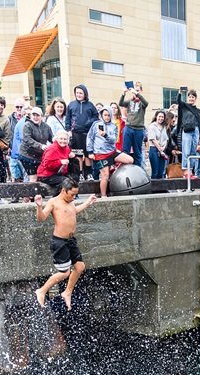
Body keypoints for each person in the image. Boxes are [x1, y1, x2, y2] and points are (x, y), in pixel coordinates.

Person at [34, 177, 97, 309]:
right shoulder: (54, 202)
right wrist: (39, 207)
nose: (74, 197)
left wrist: (87, 203)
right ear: (63, 191)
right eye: (72, 194)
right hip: (59, 242)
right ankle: (42, 290)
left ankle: (67, 292)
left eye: (76, 194)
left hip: (71, 241)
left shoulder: (71, 202)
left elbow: (73, 211)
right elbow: (41, 218)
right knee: (64, 273)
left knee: (80, 267)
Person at [87, 106, 133, 197]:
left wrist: (105, 135)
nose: (107, 117)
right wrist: (90, 151)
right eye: (105, 115)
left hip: (112, 151)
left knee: (130, 160)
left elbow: (114, 140)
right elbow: (89, 138)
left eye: (108, 115)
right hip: (100, 154)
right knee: (105, 176)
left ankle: (115, 171)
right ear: (101, 115)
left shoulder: (113, 126)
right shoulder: (96, 124)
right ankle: (104, 196)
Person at [64, 84, 99, 180]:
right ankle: (79, 174)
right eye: (77, 93)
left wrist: (89, 122)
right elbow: (67, 119)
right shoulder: (71, 105)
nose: (78, 95)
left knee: (88, 154)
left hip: (87, 133)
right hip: (75, 133)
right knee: (78, 155)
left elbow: (96, 116)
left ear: (85, 94)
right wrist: (68, 130)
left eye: (81, 93)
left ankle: (88, 174)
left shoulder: (90, 105)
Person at [176, 88, 200, 178]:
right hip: (187, 130)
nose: (191, 98)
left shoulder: (198, 110)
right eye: (190, 97)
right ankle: (186, 171)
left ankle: (191, 170)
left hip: (196, 129)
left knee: (193, 151)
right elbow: (178, 101)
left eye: (193, 97)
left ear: (195, 98)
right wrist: (180, 92)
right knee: (186, 150)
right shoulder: (184, 106)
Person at [118, 82, 148, 167]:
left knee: (137, 152)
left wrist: (137, 94)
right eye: (134, 90)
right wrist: (123, 93)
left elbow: (146, 103)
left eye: (137, 90)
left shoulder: (142, 102)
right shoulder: (130, 101)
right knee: (125, 151)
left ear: (141, 91)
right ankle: (124, 169)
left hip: (138, 129)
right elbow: (121, 103)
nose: (135, 92)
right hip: (128, 127)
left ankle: (137, 170)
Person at [20, 106, 53, 182]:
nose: (35, 117)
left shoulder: (46, 127)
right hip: (27, 155)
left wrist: (60, 141)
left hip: (39, 156)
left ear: (41, 116)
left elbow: (52, 138)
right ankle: (32, 193)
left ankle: (37, 194)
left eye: (37, 115)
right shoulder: (27, 125)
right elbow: (27, 139)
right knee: (33, 177)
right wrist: (40, 146)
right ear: (31, 116)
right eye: (33, 115)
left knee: (40, 177)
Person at [37, 130, 74, 196]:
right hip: (46, 174)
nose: (63, 141)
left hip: (58, 173)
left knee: (74, 179)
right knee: (66, 182)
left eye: (65, 139)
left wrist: (71, 155)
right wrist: (60, 162)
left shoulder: (66, 148)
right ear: (56, 139)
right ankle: (56, 200)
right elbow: (46, 164)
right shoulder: (52, 149)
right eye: (61, 139)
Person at [147, 110, 169, 179]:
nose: (161, 118)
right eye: (159, 116)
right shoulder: (152, 126)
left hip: (162, 150)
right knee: (155, 172)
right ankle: (153, 188)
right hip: (154, 149)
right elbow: (153, 139)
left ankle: (160, 189)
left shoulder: (164, 127)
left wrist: (163, 149)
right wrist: (160, 149)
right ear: (156, 117)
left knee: (161, 172)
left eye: (162, 117)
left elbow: (166, 139)